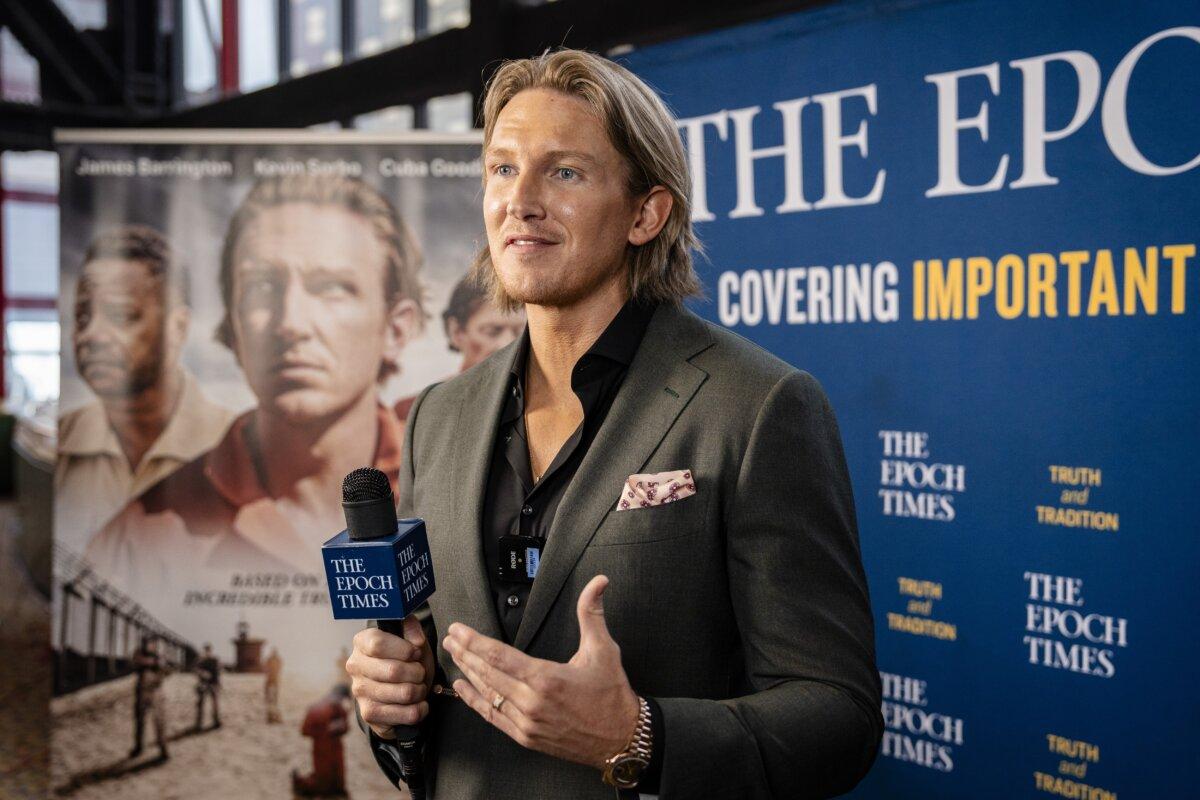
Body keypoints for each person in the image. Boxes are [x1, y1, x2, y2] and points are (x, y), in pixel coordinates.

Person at [347, 49, 881, 800]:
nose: (520, 201)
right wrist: (392, 704)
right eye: (502, 169)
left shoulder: (759, 405)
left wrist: (638, 737)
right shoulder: (438, 415)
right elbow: (428, 687)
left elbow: (840, 717)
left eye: (564, 172)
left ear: (645, 213)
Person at [85, 175, 425, 597]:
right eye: (262, 288)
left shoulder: (447, 497)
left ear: (396, 328)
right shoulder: (136, 539)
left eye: (333, 287)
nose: (291, 324)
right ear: (233, 326)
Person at [57, 225, 235, 554]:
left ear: (177, 328)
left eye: (121, 315)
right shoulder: (63, 440)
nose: (91, 335)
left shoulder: (234, 449)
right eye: (82, 317)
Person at [396, 273, 525, 423]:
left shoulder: (540, 407)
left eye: (519, 332)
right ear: (456, 331)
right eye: (492, 331)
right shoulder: (415, 413)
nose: (507, 344)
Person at [293, 685, 352, 797]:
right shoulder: (320, 708)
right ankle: (300, 783)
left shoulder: (336, 707)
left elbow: (345, 727)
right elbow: (305, 730)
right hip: (323, 747)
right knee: (324, 781)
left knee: (337, 778)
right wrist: (326, 731)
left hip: (333, 746)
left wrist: (337, 728)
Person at [130, 635, 170, 761]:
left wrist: (157, 663)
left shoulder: (158, 656)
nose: (151, 646)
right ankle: (139, 747)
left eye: (152, 644)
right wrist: (154, 662)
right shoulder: (139, 653)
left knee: (159, 722)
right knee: (140, 720)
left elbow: (165, 670)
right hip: (142, 691)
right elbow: (136, 661)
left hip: (156, 692)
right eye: (148, 643)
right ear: (144, 645)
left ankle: (163, 749)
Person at [194, 642, 221, 730]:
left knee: (215, 704)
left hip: (213, 684)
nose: (207, 651)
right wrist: (202, 674)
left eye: (208, 650)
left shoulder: (214, 660)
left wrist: (217, 684)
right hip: (203, 684)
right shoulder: (201, 660)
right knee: (201, 704)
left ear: (210, 650)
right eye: (206, 650)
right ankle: (199, 723)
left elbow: (217, 673)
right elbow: (197, 672)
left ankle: (216, 722)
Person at [264, 648, 283, 724]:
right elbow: (280, 666)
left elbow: (266, 666)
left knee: (271, 689)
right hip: (273, 677)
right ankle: (272, 698)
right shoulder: (276, 659)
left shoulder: (274, 659)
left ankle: (272, 698)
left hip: (273, 677)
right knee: (272, 689)